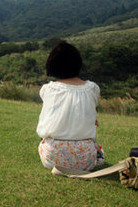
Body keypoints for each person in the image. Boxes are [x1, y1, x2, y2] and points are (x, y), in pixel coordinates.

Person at [36, 40, 104, 171]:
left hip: (53, 158)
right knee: (93, 145)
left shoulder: (47, 89)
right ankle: (98, 155)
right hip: (86, 161)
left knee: (44, 141)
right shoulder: (93, 89)